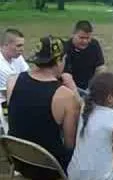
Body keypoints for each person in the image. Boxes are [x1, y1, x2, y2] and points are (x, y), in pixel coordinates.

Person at [6, 36, 81, 178]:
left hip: (18, 159)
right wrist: (74, 90)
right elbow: (70, 144)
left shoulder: (13, 81)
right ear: (59, 60)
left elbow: (21, 117)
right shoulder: (66, 96)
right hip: (50, 166)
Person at [64, 20, 106, 90]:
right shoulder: (66, 48)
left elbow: (100, 67)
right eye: (81, 38)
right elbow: (66, 76)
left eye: (88, 38)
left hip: (89, 85)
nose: (85, 41)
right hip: (69, 87)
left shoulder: (94, 44)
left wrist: (94, 85)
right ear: (73, 34)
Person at [0, 29, 29, 102]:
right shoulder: (1, 66)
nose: (22, 49)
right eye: (18, 46)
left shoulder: (17, 56)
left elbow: (29, 75)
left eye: (22, 45)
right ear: (6, 45)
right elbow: (9, 93)